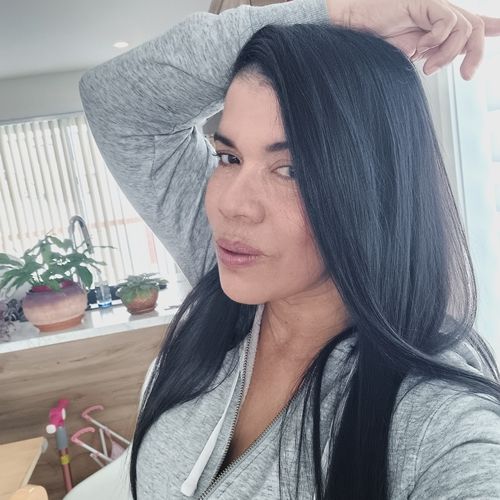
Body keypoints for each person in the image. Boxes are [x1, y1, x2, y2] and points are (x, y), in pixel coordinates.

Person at [78, 0, 500, 498]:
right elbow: (115, 99)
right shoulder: (229, 277)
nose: (231, 205)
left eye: (291, 169)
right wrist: (339, 15)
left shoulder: (436, 419)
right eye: (228, 157)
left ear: (375, 190)